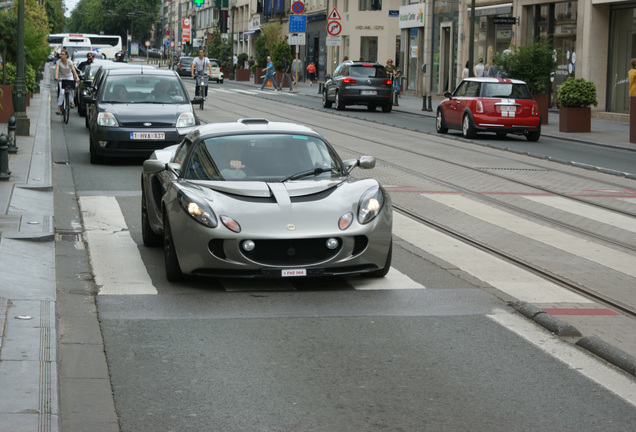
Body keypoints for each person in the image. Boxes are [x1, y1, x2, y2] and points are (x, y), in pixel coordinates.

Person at [54, 49, 80, 115]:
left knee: (71, 89)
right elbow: (57, 70)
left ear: (66, 55)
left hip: (69, 77)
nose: (61, 55)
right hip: (62, 77)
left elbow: (73, 70)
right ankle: (59, 108)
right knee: (62, 92)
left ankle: (72, 101)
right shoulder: (58, 62)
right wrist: (56, 76)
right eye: (61, 54)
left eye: (63, 54)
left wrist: (77, 77)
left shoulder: (69, 62)